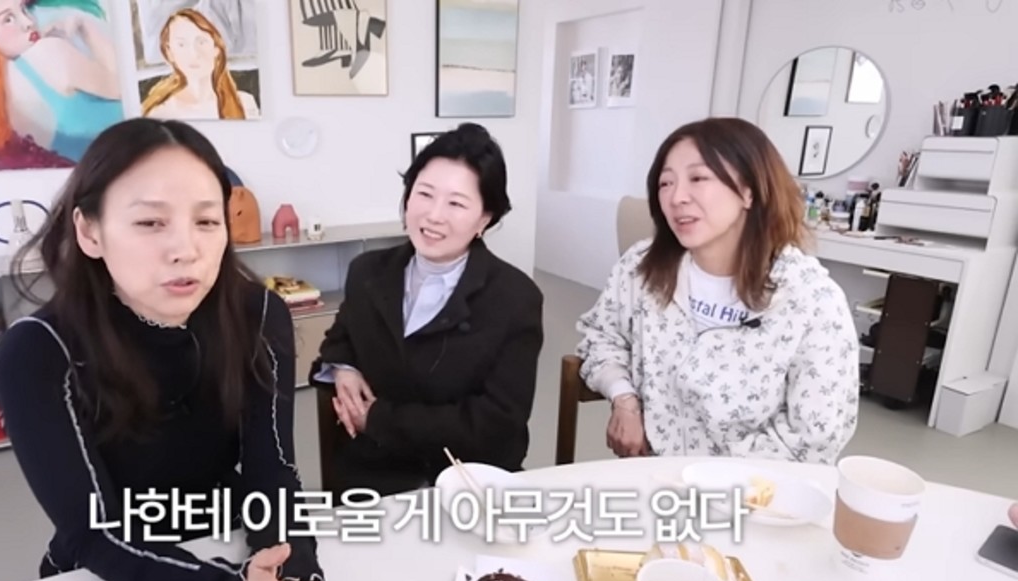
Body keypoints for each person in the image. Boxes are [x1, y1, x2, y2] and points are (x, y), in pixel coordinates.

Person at [0, 118, 341, 581]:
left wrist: (294, 580)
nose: (186, 249)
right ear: (89, 231)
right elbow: (94, 530)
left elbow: (272, 471)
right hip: (109, 577)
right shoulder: (39, 350)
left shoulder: (258, 314)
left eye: (207, 221)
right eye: (151, 223)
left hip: (228, 539)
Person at [576, 117, 859, 465]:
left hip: (752, 489)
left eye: (698, 178)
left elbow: (814, 438)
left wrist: (705, 477)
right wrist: (624, 400)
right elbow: (601, 336)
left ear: (749, 191)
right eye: (666, 182)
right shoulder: (641, 268)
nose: (677, 197)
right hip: (651, 476)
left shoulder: (812, 300)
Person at [309, 123, 544, 498]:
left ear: (485, 219)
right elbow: (341, 339)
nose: (434, 215)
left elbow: (498, 421)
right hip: (373, 477)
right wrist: (344, 369)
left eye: (456, 203)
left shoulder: (515, 297)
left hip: (469, 482)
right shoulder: (367, 272)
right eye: (424, 193)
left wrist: (378, 419)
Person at [0, 0, 123, 167]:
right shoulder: (49, 52)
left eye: (24, 9)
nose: (28, 22)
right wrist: (85, 26)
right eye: (8, 19)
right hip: (111, 166)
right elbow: (124, 87)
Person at [141, 9, 260, 120]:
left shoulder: (244, 103)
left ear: (216, 49)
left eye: (201, 42)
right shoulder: (160, 112)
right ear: (169, 53)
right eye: (181, 45)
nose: (194, 54)